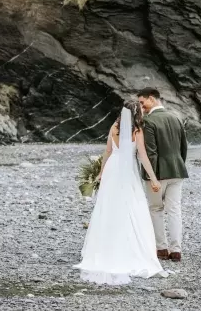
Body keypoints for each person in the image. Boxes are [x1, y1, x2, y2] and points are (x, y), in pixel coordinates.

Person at [73, 100, 165, 285]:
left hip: (112, 169)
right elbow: (143, 156)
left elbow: (107, 151)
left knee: (108, 208)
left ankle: (104, 248)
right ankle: (130, 249)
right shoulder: (137, 130)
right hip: (127, 171)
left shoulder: (114, 126)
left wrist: (100, 173)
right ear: (136, 113)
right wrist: (153, 178)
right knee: (133, 207)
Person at [137, 87, 188, 262]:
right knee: (174, 210)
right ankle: (176, 250)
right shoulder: (176, 118)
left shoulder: (148, 121)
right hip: (178, 170)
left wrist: (151, 177)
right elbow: (183, 147)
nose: (141, 107)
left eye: (142, 103)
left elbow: (151, 152)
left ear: (152, 99)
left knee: (156, 209)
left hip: (158, 173)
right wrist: (179, 165)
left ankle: (161, 249)